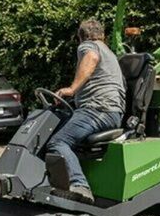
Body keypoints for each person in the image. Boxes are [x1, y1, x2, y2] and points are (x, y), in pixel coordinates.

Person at [45, 18, 126, 204]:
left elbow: (91, 58)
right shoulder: (109, 52)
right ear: (103, 35)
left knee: (58, 141)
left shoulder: (88, 46)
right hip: (109, 111)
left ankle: (79, 185)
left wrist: (72, 89)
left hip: (98, 110)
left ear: (80, 36)